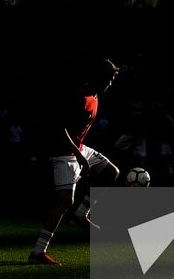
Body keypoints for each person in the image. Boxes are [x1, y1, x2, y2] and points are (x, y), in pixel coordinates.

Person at [28, 58, 121, 265]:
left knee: (111, 172)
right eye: (110, 79)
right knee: (64, 200)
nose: (111, 83)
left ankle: (80, 215)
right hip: (63, 152)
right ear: (100, 78)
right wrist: (78, 156)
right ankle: (37, 252)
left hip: (78, 148)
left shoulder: (96, 94)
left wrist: (81, 152)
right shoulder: (78, 96)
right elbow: (60, 129)